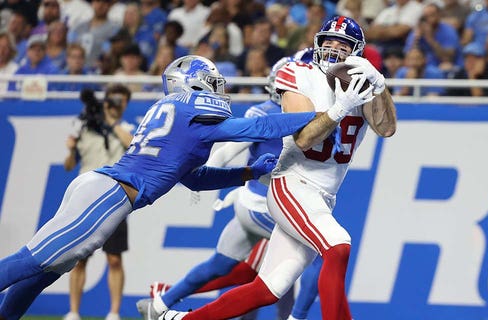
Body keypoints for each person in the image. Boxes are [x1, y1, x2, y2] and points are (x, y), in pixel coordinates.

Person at [0, 54, 317, 320]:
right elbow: (259, 127)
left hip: (101, 188)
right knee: (34, 260)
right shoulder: (192, 113)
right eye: (211, 81)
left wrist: (246, 172)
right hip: (110, 194)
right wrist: (323, 116)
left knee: (44, 271)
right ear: (193, 83)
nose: (218, 89)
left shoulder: (179, 116)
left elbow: (194, 178)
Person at [162, 15, 397, 320]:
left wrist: (379, 85)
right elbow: (303, 139)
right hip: (292, 183)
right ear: (317, 44)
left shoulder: (362, 84)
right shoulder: (298, 73)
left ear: (357, 52)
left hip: (323, 195)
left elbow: (387, 127)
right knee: (338, 245)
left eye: (343, 44)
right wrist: (339, 108)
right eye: (328, 42)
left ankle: (182, 318)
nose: (334, 49)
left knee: (268, 289)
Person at [62, 84, 134, 320]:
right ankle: (73, 312)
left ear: (126, 104)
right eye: (113, 99)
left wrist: (111, 123)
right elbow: (69, 166)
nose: (117, 104)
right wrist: (71, 151)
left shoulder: (127, 128)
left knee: (114, 258)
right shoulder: (86, 128)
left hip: (114, 198)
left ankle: (113, 313)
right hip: (85, 197)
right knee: (79, 258)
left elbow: (132, 145)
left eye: (121, 101)